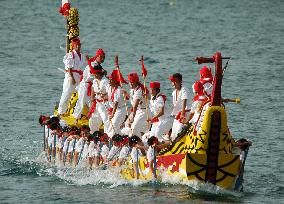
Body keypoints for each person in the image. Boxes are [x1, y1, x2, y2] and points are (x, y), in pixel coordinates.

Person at [72, 49, 106, 121]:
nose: (102, 59)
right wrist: (102, 73)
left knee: (93, 102)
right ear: (97, 56)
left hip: (92, 86)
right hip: (85, 85)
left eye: (103, 57)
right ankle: (76, 118)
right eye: (101, 57)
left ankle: (94, 118)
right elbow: (94, 75)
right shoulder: (93, 65)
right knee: (81, 102)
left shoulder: (97, 65)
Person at [58, 37, 85, 116]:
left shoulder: (81, 55)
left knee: (82, 93)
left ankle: (77, 113)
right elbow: (69, 68)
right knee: (67, 93)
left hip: (79, 76)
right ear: (73, 46)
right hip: (71, 76)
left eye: (79, 45)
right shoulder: (70, 55)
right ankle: (61, 112)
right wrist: (72, 78)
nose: (78, 46)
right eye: (76, 45)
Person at [104, 69, 128, 137]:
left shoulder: (118, 90)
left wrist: (112, 114)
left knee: (115, 124)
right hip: (114, 109)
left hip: (120, 110)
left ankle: (120, 137)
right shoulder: (109, 87)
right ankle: (115, 136)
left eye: (111, 80)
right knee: (108, 124)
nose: (109, 81)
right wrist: (103, 96)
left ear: (115, 81)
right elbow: (108, 96)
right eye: (109, 79)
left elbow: (115, 104)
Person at [126, 72, 149, 137]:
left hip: (143, 111)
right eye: (129, 82)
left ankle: (139, 142)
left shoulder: (139, 91)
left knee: (134, 128)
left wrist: (133, 117)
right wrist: (125, 93)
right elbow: (132, 101)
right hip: (137, 110)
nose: (130, 83)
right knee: (127, 124)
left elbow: (135, 105)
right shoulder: (132, 90)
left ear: (136, 82)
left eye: (131, 82)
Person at [168, 73, 190, 140]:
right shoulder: (174, 92)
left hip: (185, 114)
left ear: (180, 82)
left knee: (179, 132)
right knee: (173, 134)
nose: (174, 83)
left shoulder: (184, 89)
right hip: (178, 115)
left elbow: (184, 101)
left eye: (175, 81)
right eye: (173, 82)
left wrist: (182, 114)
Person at [88, 64, 109, 134]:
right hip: (97, 103)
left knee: (106, 119)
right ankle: (94, 133)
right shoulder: (95, 80)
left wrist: (105, 95)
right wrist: (91, 97)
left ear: (99, 73)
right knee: (93, 119)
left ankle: (107, 134)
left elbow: (110, 92)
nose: (94, 75)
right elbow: (93, 88)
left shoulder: (105, 81)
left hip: (104, 103)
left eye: (95, 74)